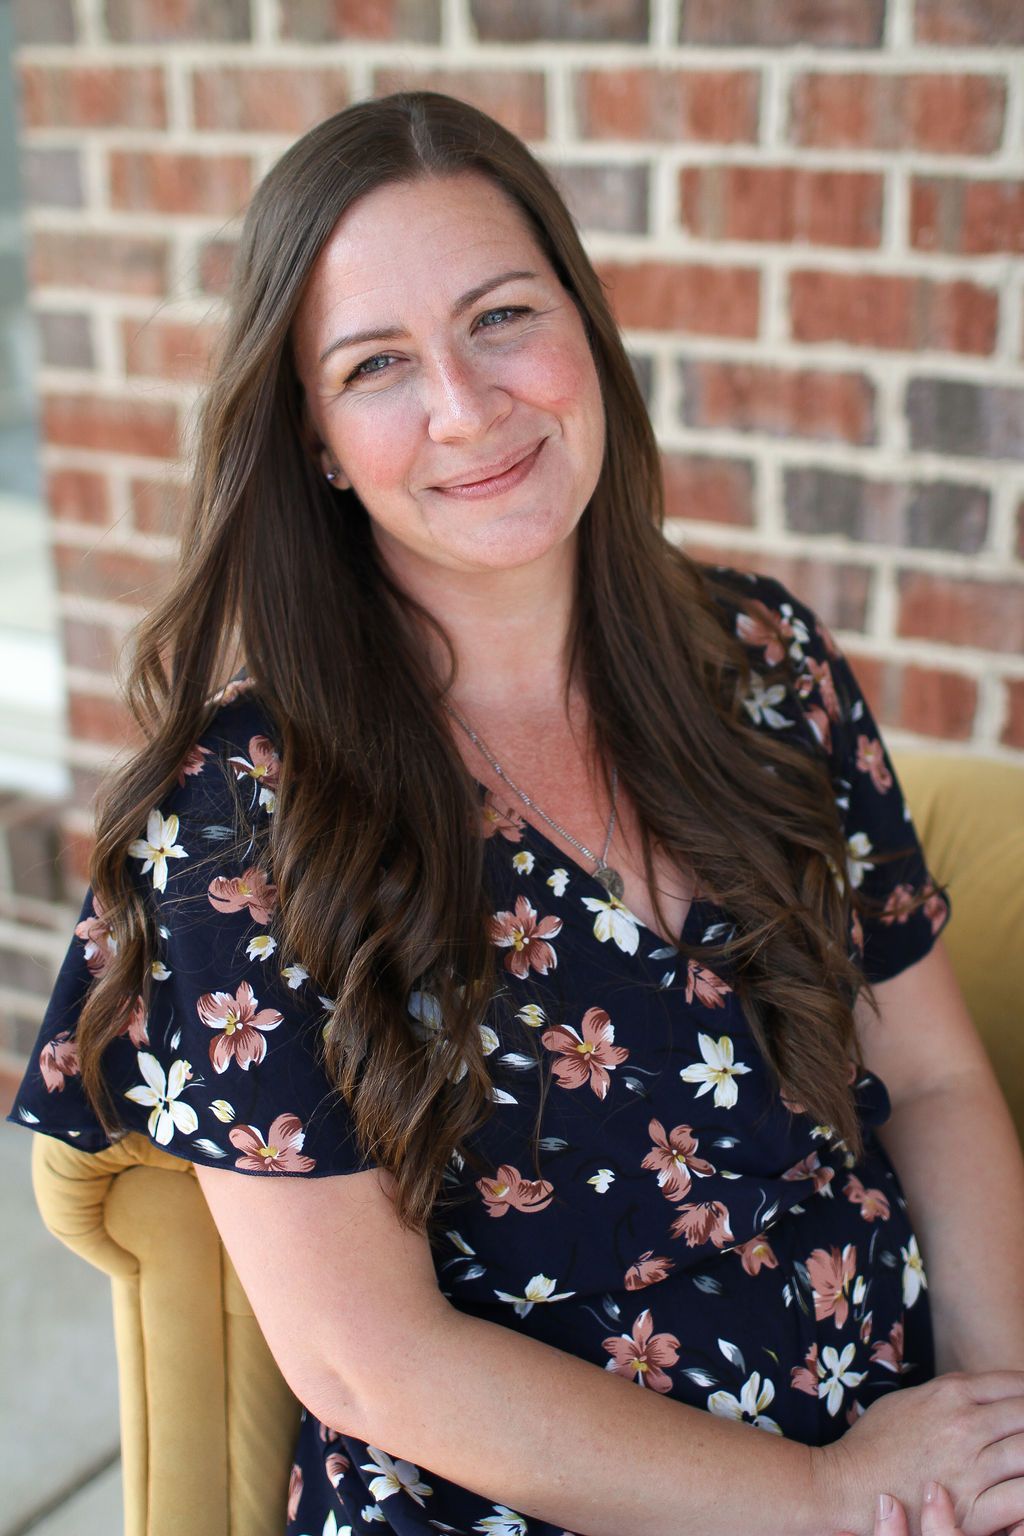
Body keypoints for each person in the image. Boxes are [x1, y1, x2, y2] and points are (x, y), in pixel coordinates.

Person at [9, 91, 1024, 1536]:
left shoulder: (763, 667)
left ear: (583, 327)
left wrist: (996, 1430)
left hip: (905, 1444)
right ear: (312, 439)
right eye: (375, 366)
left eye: (500, 318)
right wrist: (825, 1497)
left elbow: (925, 1080)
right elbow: (370, 1360)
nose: (468, 408)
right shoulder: (240, 823)